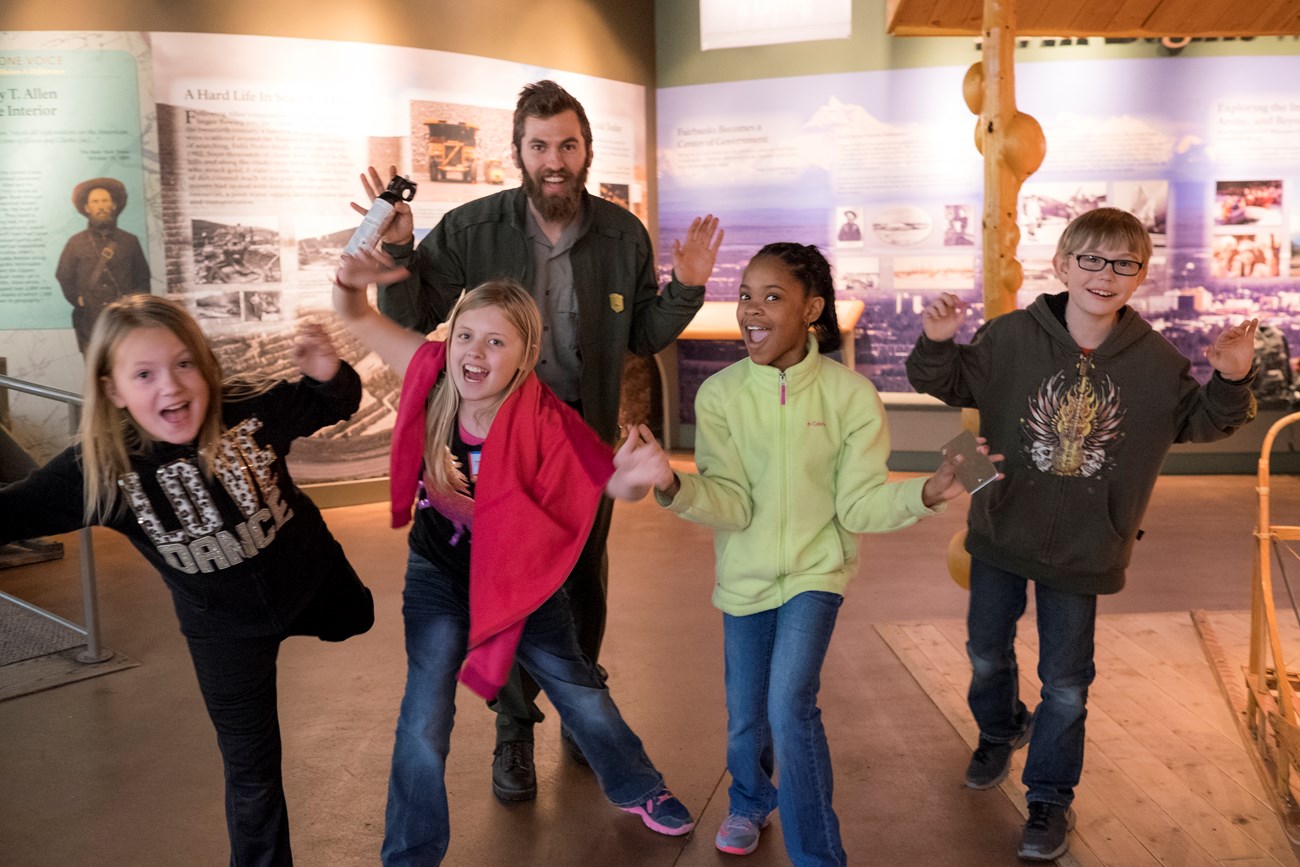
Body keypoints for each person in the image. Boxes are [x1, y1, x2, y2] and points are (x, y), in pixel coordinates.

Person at [355, 78, 723, 801]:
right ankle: (514, 729)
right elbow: (417, 310)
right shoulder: (473, 229)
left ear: (586, 150)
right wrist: (398, 251)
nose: (554, 159)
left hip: (579, 444)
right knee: (509, 586)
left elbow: (641, 334)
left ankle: (584, 713)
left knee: (583, 580)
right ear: (518, 152)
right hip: (493, 443)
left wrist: (685, 286)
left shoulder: (623, 236)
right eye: (539, 146)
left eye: (567, 145)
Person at [905, 207, 1258, 862]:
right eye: (1091, 259)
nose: (1106, 273)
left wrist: (1233, 377)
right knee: (986, 648)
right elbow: (939, 377)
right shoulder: (1009, 336)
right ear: (1062, 264)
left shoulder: (1156, 362)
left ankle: (1049, 797)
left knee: (1066, 682)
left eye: (1124, 263)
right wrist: (936, 340)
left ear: (1140, 277)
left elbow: (1204, 421)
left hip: (1085, 548)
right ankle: (1000, 727)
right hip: (1000, 526)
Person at [333, 251, 695, 865]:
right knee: (424, 715)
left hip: (521, 579)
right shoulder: (431, 370)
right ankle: (409, 853)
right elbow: (356, 315)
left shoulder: (546, 418)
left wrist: (636, 478)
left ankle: (639, 787)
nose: (475, 351)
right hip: (438, 574)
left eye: (496, 341)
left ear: (525, 358)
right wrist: (348, 282)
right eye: (466, 334)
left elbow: (605, 482)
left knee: (578, 688)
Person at [0, 294, 375, 867]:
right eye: (143, 374)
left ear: (205, 365)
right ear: (112, 391)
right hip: (222, 631)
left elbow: (334, 402)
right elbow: (13, 511)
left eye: (184, 364)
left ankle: (330, 615)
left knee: (359, 618)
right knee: (251, 776)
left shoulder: (250, 409)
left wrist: (329, 373)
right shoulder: (100, 470)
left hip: (311, 579)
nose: (170, 388)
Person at [644, 242, 977, 865]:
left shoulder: (851, 398)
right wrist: (672, 485)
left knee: (788, 704)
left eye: (773, 297)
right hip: (743, 578)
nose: (753, 310)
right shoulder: (719, 396)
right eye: (746, 294)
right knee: (745, 714)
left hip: (815, 575)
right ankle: (748, 801)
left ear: (812, 309)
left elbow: (857, 507)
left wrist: (925, 495)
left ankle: (819, 855)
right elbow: (732, 504)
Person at [56, 177, 151, 353]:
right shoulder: (75, 243)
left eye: (105, 200)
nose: (100, 206)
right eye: (95, 201)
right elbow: (63, 275)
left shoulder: (130, 241)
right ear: (86, 208)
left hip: (125, 322)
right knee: (96, 374)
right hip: (89, 323)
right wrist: (77, 298)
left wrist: (135, 307)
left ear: (113, 205)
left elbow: (143, 278)